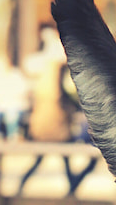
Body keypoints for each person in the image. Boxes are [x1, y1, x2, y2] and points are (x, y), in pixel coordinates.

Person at [17, 25, 98, 196]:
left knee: (47, 160)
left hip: (44, 125)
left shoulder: (43, 69)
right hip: (56, 125)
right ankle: (71, 191)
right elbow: (65, 95)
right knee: (66, 159)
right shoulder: (56, 70)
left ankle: (23, 186)